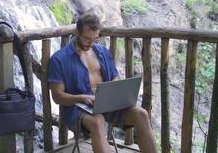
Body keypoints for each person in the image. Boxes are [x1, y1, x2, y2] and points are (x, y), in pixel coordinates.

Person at [48, 12, 157, 153]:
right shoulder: (59, 59)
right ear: (76, 32)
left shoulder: (102, 52)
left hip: (106, 103)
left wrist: (115, 91)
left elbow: (114, 77)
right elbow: (57, 97)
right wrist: (82, 97)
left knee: (141, 114)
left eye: (94, 39)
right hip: (77, 108)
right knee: (97, 121)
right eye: (87, 39)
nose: (90, 43)